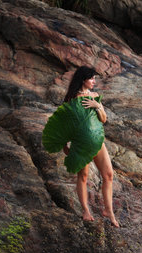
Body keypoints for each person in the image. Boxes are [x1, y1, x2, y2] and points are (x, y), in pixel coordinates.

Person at [62, 66, 119, 227]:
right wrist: (65, 144)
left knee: (108, 175)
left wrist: (97, 106)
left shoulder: (94, 96)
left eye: (95, 78)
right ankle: (85, 210)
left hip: (97, 140)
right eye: (92, 78)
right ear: (83, 80)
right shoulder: (72, 99)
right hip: (81, 143)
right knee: (84, 176)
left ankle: (109, 211)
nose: (94, 81)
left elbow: (103, 119)